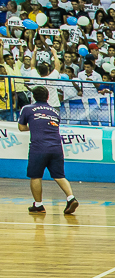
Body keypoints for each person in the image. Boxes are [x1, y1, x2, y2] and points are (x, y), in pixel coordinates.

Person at [19, 85, 78, 215]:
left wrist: (34, 126)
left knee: (35, 176)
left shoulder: (27, 108)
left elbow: (21, 127)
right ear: (48, 96)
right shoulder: (54, 111)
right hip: (56, 147)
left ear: (33, 97)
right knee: (59, 176)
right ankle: (71, 198)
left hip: (38, 147)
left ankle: (38, 205)